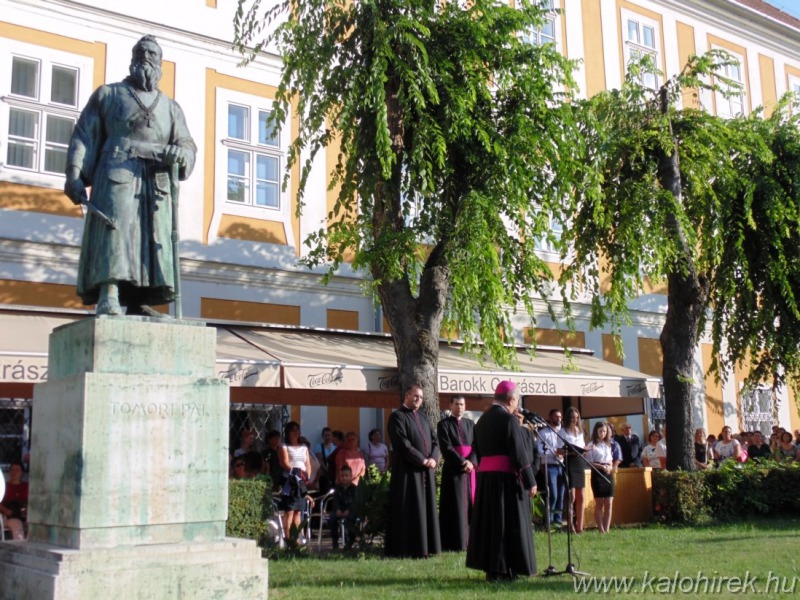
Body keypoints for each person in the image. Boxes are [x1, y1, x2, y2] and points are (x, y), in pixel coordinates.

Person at [63, 35, 197, 316]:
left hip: (156, 179)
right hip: (118, 170)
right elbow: (84, 135)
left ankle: (139, 298)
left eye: (153, 54)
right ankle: (109, 293)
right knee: (116, 230)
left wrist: (181, 155)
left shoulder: (171, 108)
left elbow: (187, 144)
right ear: (133, 59)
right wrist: (74, 174)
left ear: (160, 63)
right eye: (142, 53)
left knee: (151, 238)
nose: (147, 57)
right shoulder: (109, 94)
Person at [466, 381, 537, 582]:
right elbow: (519, 453)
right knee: (506, 525)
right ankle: (505, 570)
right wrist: (530, 480)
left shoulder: (481, 421)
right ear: (512, 399)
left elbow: (477, 451)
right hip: (506, 480)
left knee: (491, 524)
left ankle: (491, 569)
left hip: (486, 480)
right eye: (517, 401)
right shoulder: (509, 420)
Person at [385, 384, 441, 559]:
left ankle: (427, 548)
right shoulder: (397, 417)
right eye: (415, 396)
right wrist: (422, 460)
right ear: (407, 395)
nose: (418, 399)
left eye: (421, 397)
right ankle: (410, 549)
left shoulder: (423, 418)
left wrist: (433, 458)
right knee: (411, 509)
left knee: (427, 509)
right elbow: (402, 444)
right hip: (408, 473)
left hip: (426, 471)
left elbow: (435, 441)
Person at [437, 395, 476, 552]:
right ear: (450, 405)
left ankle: (472, 541)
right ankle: (456, 542)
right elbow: (447, 448)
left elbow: (476, 445)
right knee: (456, 505)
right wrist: (462, 462)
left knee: (471, 504)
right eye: (457, 404)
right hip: (454, 469)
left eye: (462, 404)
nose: (459, 407)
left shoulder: (471, 424)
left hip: (470, 469)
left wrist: (471, 462)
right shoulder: (443, 424)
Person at [277, 421, 312, 545]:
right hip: (290, 481)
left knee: (298, 510)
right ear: (288, 432)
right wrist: (296, 474)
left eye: (297, 429)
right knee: (289, 510)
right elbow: (285, 463)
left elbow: (307, 463)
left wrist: (306, 476)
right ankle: (288, 538)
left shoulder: (304, 447)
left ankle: (298, 538)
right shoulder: (284, 446)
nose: (295, 432)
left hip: (301, 482)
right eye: (293, 430)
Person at [537, 408, 565, 530]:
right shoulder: (543, 433)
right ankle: (549, 522)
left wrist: (563, 453)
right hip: (550, 466)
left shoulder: (563, 433)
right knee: (552, 494)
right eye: (556, 416)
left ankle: (557, 523)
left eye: (560, 417)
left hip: (562, 465)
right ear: (550, 417)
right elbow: (539, 450)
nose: (558, 419)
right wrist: (553, 453)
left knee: (561, 495)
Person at [585, 422, 615, 533]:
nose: (603, 433)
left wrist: (609, 467)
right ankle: (601, 529)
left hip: (608, 473)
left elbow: (611, 460)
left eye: (604, 431)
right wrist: (601, 467)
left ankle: (607, 529)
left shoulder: (608, 444)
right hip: (597, 473)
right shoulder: (591, 445)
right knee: (599, 503)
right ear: (596, 431)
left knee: (609, 502)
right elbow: (589, 462)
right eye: (600, 431)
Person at [560, 406, 586, 534]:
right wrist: (570, 451)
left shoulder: (580, 431)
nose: (575, 420)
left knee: (581, 495)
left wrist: (584, 450)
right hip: (569, 462)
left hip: (580, 462)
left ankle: (580, 526)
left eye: (577, 418)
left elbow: (582, 446)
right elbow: (558, 449)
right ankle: (570, 526)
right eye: (572, 418)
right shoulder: (563, 431)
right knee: (572, 496)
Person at [329, 465, 359, 550]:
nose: (344, 478)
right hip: (339, 509)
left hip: (350, 510)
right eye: (342, 476)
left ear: (351, 476)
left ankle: (350, 540)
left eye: (346, 476)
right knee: (332, 519)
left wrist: (348, 510)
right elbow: (335, 501)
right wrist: (337, 509)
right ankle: (335, 540)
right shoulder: (337, 488)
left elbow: (355, 502)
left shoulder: (354, 489)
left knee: (350, 519)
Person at [0, 462, 28, 540]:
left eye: (17, 470)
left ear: (22, 473)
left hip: (24, 515)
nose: (14, 472)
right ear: (9, 472)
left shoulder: (26, 486)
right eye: (12, 470)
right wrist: (5, 510)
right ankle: (20, 546)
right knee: (16, 523)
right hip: (7, 516)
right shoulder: (3, 486)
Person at [313, 427, 337, 491]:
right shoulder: (318, 447)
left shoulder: (335, 447)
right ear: (322, 436)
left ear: (331, 436)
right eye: (325, 435)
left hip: (334, 474)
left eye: (329, 435)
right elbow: (319, 461)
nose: (327, 437)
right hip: (323, 474)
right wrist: (327, 470)